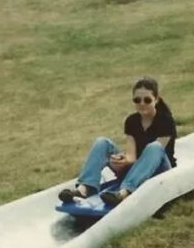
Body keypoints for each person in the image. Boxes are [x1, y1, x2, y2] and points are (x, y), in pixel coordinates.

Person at [59, 77, 177, 207]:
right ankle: (84, 188)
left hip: (159, 170)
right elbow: (131, 157)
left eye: (147, 100)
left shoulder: (165, 120)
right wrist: (122, 161)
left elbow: (155, 155)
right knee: (102, 142)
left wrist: (128, 164)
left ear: (156, 99)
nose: (142, 103)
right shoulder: (132, 121)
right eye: (137, 100)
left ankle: (124, 193)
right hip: (137, 169)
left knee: (154, 147)